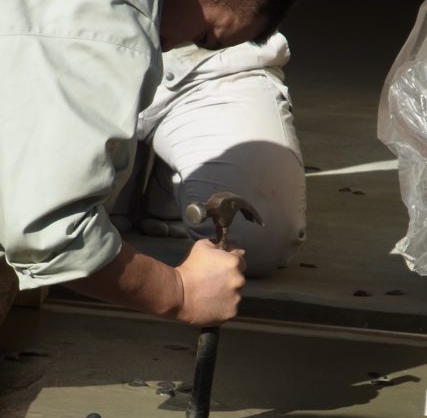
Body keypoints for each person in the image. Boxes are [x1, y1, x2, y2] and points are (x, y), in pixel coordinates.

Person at [0, 0, 308, 328]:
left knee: (258, 240)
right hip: (104, 36)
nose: (174, 45)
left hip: (197, 75)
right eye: (203, 35)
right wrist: (178, 293)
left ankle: (161, 179)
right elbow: (47, 232)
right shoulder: (99, 7)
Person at [108, 33, 307, 277]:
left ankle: (168, 179)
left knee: (248, 245)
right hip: (88, 56)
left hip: (212, 61)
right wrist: (173, 293)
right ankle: (129, 170)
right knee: (69, 230)